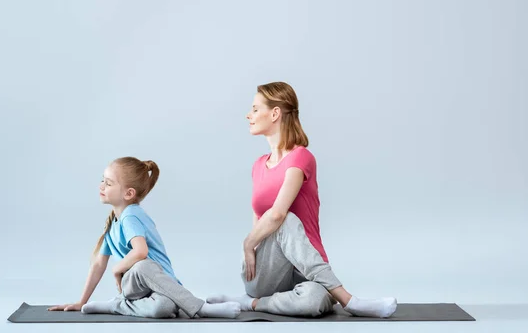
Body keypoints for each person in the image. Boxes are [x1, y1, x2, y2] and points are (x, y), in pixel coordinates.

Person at [207, 82, 397, 318]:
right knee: (284, 220)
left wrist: (248, 242)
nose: (249, 115)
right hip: (265, 271)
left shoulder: (301, 158)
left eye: (255, 109)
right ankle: (350, 301)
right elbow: (265, 219)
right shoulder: (258, 166)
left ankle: (253, 303)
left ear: (275, 113)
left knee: (312, 301)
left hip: (309, 269)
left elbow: (276, 214)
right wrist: (249, 245)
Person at [48, 156, 241, 319]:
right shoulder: (116, 223)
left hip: (158, 288)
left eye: (108, 183)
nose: (101, 186)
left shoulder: (132, 215)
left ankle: (117, 306)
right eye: (102, 180)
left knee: (163, 308)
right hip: (136, 282)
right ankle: (202, 308)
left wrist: (117, 268)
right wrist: (81, 301)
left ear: (129, 193)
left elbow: (140, 251)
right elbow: (102, 264)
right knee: (142, 264)